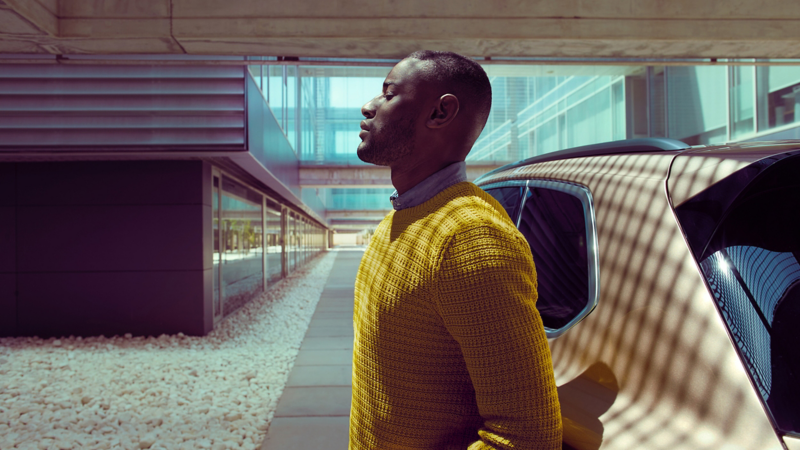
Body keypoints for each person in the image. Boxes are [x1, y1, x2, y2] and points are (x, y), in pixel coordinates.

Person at [349, 50, 562, 450]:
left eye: (389, 94)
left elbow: (524, 437)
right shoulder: (395, 223)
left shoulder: (471, 239)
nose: (368, 106)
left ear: (440, 113)